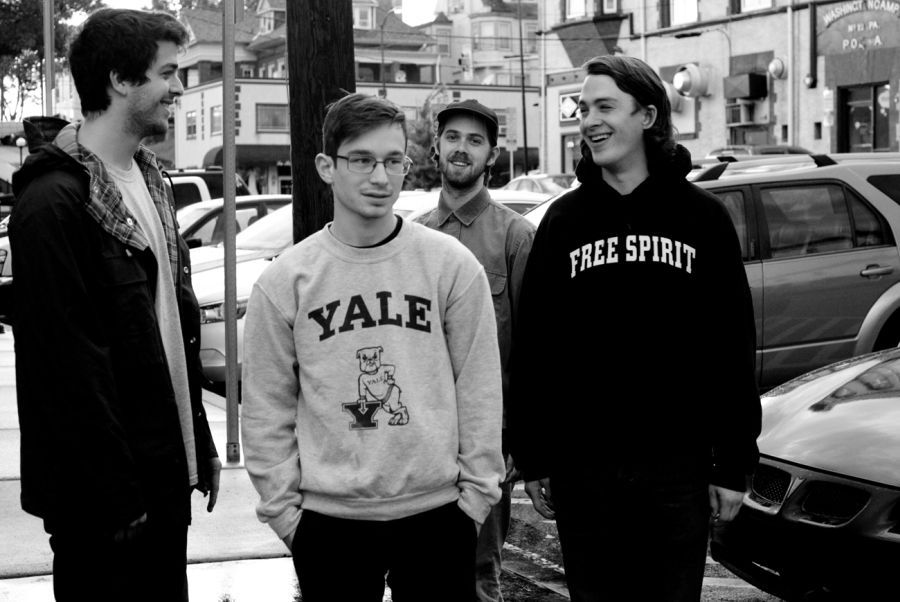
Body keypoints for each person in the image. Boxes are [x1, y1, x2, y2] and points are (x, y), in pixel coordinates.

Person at [508, 55, 761, 601]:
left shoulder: (702, 218)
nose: (589, 120)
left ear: (647, 115)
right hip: (584, 471)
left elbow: (732, 348)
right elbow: (536, 348)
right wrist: (535, 455)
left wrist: (733, 463)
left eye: (605, 106)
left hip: (677, 470)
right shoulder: (564, 221)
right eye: (583, 109)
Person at [241, 93, 504, 602]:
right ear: (327, 167)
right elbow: (265, 408)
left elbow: (479, 389)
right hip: (329, 523)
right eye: (362, 160)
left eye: (392, 161)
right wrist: (286, 515)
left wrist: (474, 502)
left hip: (438, 516)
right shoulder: (286, 281)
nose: (380, 177)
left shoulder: (450, 266)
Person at [9, 9, 220, 602]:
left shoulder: (150, 182)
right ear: (121, 80)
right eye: (167, 73)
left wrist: (197, 445)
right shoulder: (53, 204)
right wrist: (116, 496)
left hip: (162, 477)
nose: (179, 88)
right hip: (105, 504)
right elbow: (67, 372)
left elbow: (169, 330)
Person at [413, 99, 535, 602]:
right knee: (419, 578)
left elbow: (533, 349)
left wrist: (522, 441)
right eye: (453, 137)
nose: (461, 148)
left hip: (487, 439)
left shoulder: (516, 236)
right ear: (436, 148)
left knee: (480, 576)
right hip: (421, 437)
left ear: (492, 156)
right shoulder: (413, 236)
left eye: (475, 140)